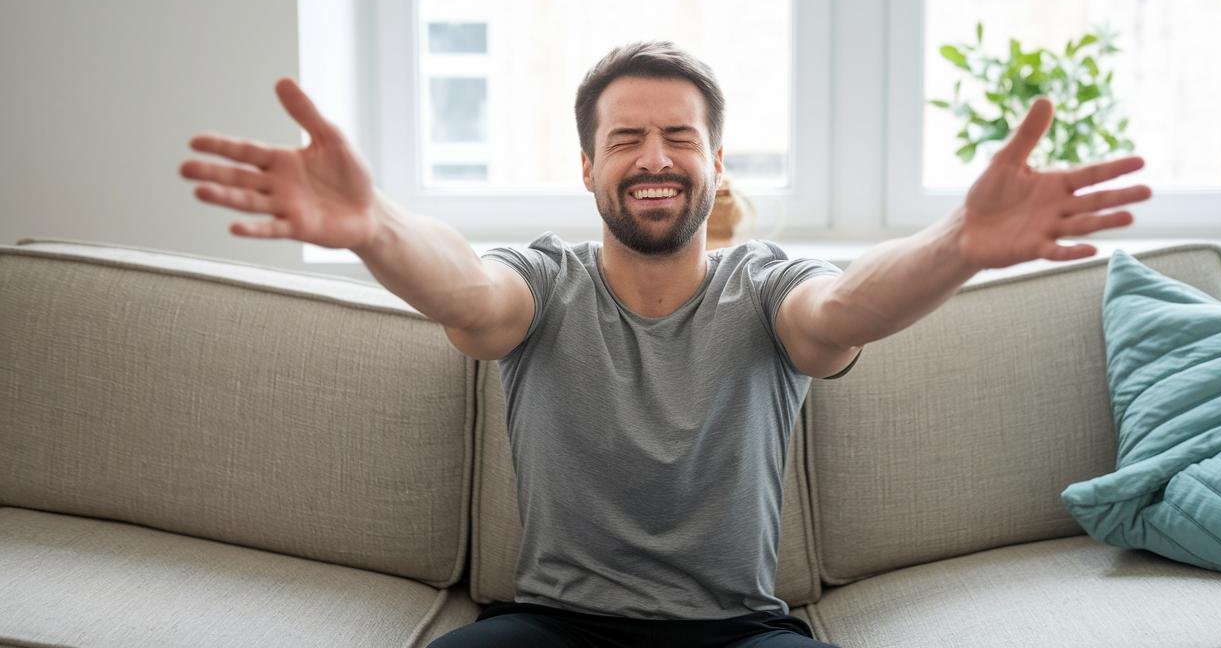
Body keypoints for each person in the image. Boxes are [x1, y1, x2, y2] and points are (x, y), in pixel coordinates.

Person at [179, 41, 1151, 647]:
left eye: (679, 137)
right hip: (550, 626)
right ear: (588, 166)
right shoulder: (544, 280)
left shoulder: (766, 282)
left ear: (714, 162)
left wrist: (960, 245)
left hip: (738, 632)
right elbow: (470, 294)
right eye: (627, 137)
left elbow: (841, 312)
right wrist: (372, 228)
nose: (654, 158)